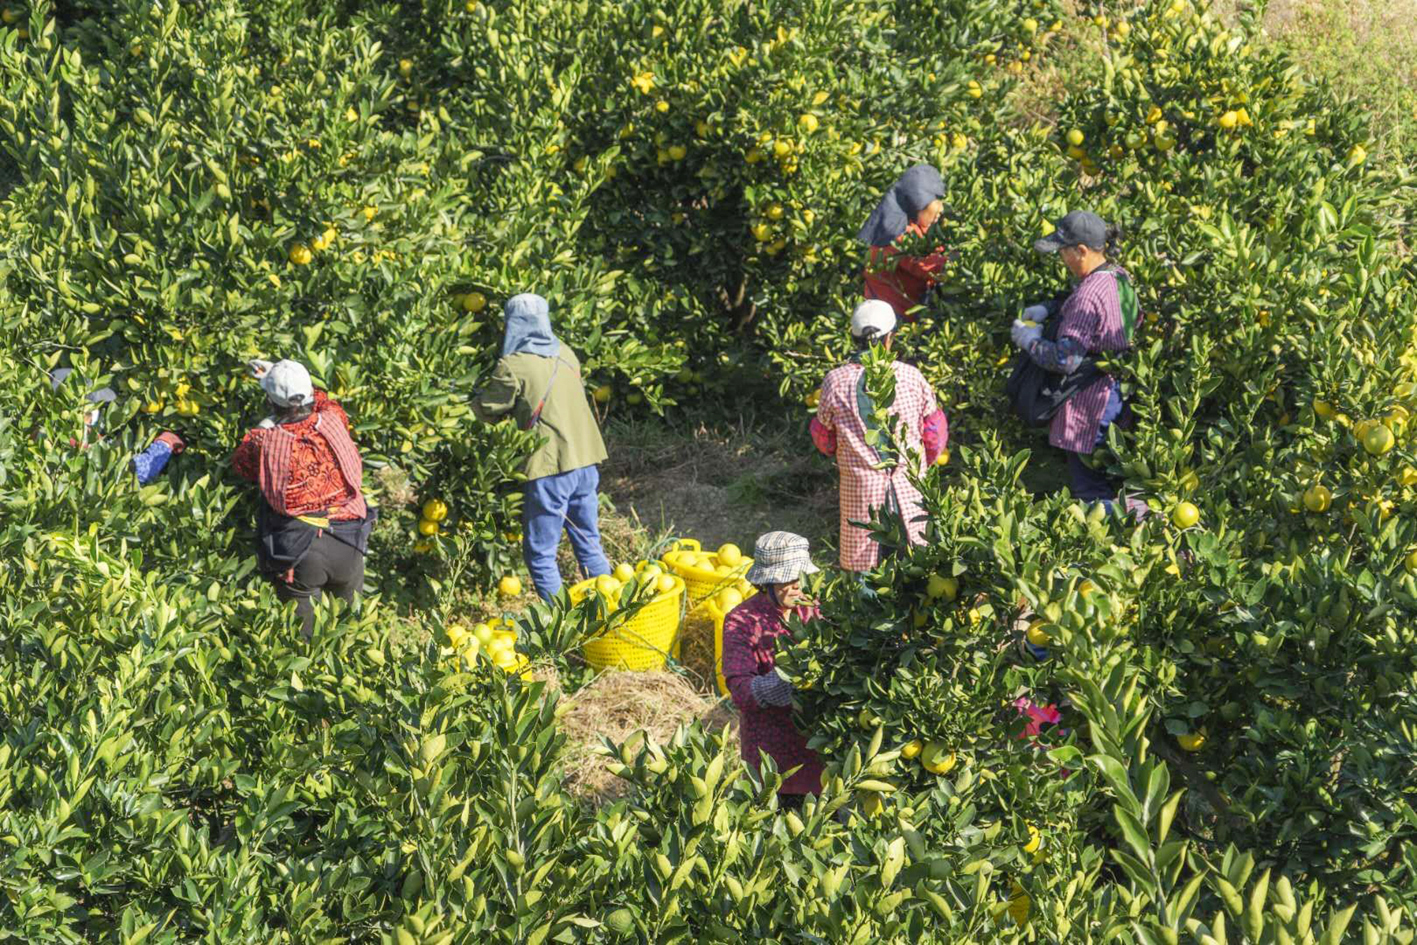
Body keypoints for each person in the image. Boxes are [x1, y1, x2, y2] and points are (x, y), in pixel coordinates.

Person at [472, 293, 611, 600]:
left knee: (540, 554)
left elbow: (485, 410)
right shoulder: (566, 353)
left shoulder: (513, 365)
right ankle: (613, 611)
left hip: (551, 467)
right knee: (588, 541)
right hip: (586, 462)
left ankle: (563, 627)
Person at [232, 358, 375, 638]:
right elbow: (323, 400)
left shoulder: (265, 442)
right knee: (348, 635)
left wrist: (267, 410)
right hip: (350, 543)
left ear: (272, 404)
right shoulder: (334, 418)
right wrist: (280, 376)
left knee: (304, 645)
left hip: (302, 550)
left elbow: (242, 464)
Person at [1010, 210, 1139, 511]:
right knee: (1109, 480)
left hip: (1089, 408)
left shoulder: (1088, 295)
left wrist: (1030, 341)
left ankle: (1110, 545)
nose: (1062, 259)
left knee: (1091, 493)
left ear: (1081, 250)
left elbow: (1065, 359)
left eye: (1064, 252)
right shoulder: (1120, 279)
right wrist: (1049, 307)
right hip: (1118, 397)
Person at [810, 301, 948, 572]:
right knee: (916, 566)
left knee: (866, 573)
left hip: (861, 491)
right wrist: (923, 463)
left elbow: (824, 439)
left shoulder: (835, 381)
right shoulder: (912, 377)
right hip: (910, 487)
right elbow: (934, 434)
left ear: (854, 338)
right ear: (889, 338)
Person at [721, 531, 823, 810]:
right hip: (772, 755)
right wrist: (782, 684)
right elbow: (740, 691)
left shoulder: (816, 610)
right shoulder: (741, 621)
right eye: (785, 579)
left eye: (799, 577)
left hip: (819, 751)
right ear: (766, 580)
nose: (794, 586)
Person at [858, 163, 952, 322]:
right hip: (893, 319)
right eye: (935, 200)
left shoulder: (910, 223)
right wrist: (960, 258)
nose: (940, 209)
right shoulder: (896, 233)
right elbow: (928, 268)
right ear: (918, 203)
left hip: (904, 312)